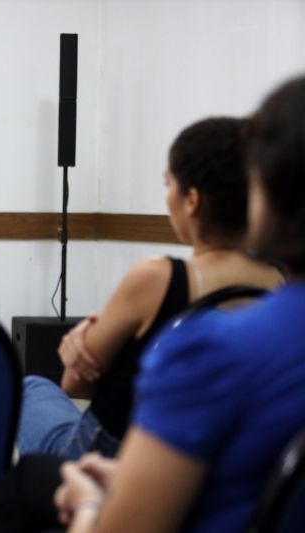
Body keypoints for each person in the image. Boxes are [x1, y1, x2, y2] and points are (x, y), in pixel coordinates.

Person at [53, 75, 305, 532]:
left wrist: (91, 505)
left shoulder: (209, 349)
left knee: (36, 399)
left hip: (108, 450)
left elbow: (75, 380)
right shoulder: (268, 302)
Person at [17, 116, 283, 459]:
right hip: (222, 456)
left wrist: (78, 341)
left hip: (114, 462)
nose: (167, 198)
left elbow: (75, 383)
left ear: (192, 200)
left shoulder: (157, 278)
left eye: (168, 184)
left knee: (33, 388)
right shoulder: (281, 283)